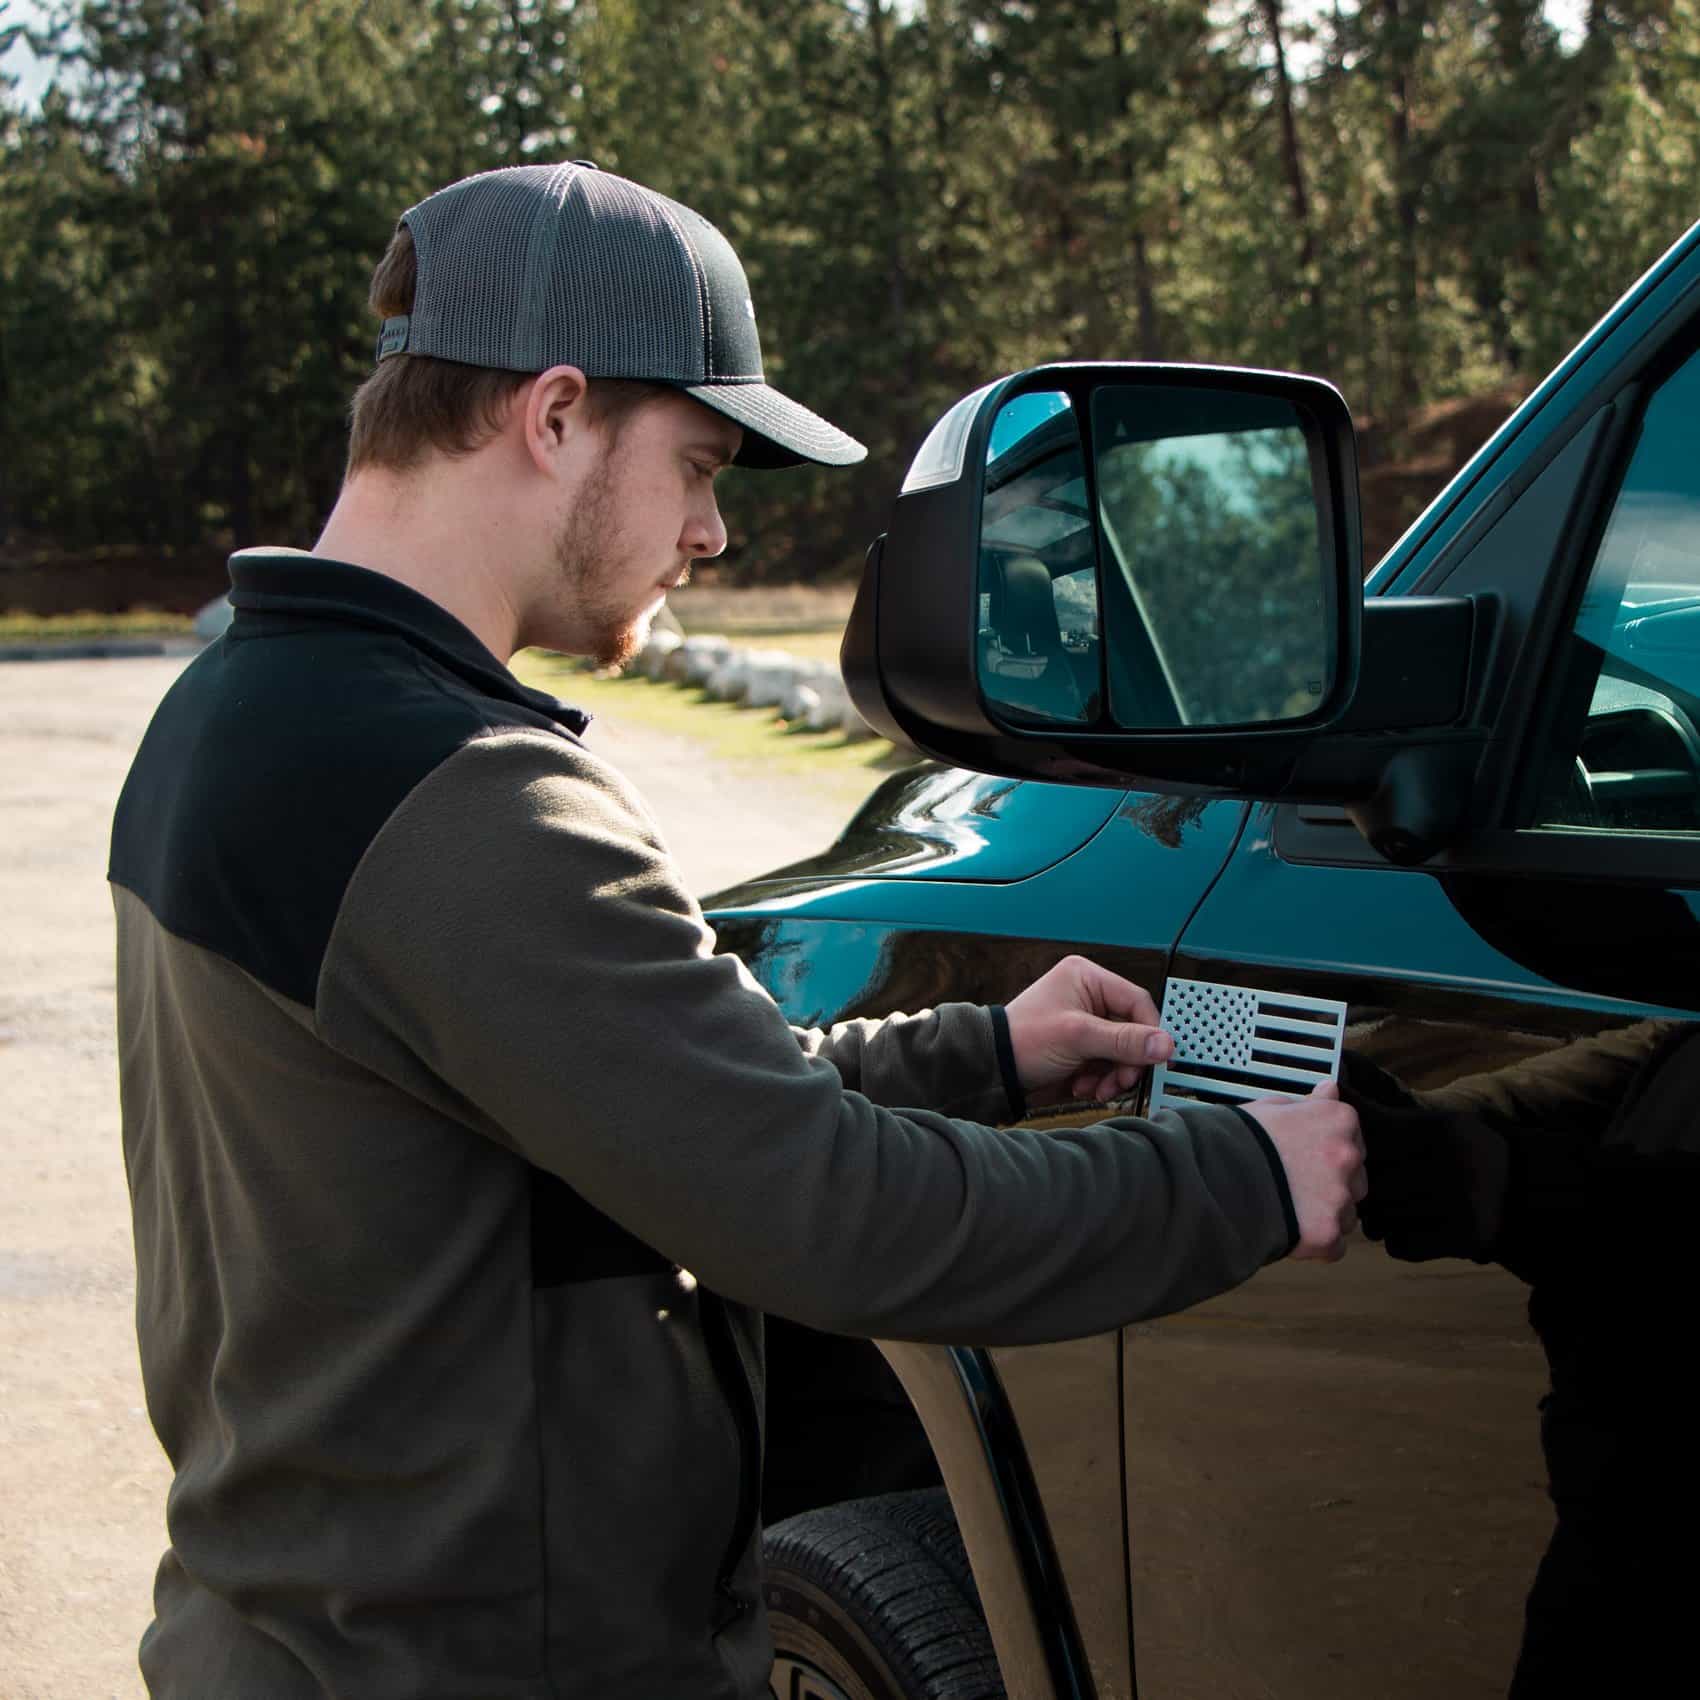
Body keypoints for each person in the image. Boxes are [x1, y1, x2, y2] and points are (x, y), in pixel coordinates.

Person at [109, 161, 1365, 1700]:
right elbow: (837, 1218)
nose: (708, 533)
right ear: (554, 415)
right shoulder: (468, 799)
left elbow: (622, 1102)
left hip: (286, 1637)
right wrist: (1245, 1175)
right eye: (699, 463)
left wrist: (980, 1051)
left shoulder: (231, 715)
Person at [1345, 1023, 1700, 1697]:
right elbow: (1620, 1061)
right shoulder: (1671, 1029)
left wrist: (1488, 1180)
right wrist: (1408, 1115)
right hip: (1611, 1501)